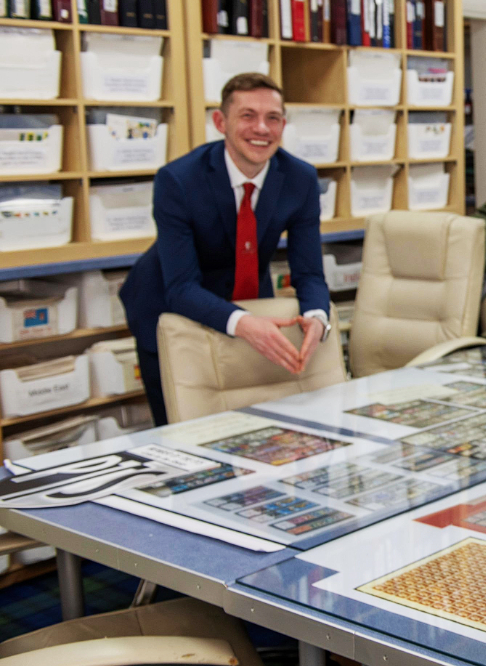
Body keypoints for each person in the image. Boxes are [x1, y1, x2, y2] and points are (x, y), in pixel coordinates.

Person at [120, 73, 331, 427]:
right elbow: (181, 287)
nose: (261, 128)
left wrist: (317, 317)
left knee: (256, 426)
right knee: (181, 431)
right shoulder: (178, 180)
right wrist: (244, 324)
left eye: (273, 118)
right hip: (169, 307)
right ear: (221, 122)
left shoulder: (300, 178)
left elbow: (309, 272)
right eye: (247, 116)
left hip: (250, 302)